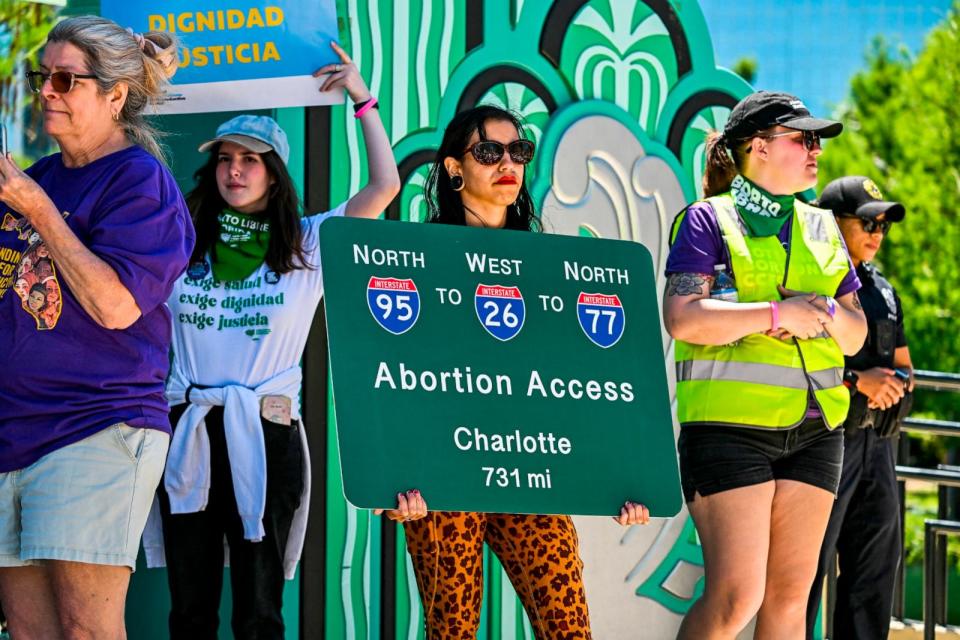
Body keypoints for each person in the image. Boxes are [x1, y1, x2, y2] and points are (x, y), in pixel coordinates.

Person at [149, 42, 400, 640]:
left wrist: (363, 100)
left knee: (260, 614)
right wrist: (144, 87)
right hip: (190, 430)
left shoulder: (307, 243)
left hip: (267, 430)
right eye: (226, 158)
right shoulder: (181, 240)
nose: (235, 169)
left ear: (275, 173)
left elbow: (385, 186)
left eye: (252, 160)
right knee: (190, 610)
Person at [393, 105, 650, 640]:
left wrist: (625, 483)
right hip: (446, 477)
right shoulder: (416, 260)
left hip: (530, 474)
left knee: (570, 631)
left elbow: (589, 388)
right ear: (454, 168)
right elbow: (393, 380)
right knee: (453, 633)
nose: (507, 162)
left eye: (519, 151)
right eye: (489, 151)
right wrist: (394, 477)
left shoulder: (549, 267)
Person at [0, 15, 193, 639]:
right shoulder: (42, 178)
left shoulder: (140, 182)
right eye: (41, 77)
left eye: (64, 79)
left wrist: (38, 210)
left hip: (95, 426)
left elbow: (115, 307)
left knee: (87, 631)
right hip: (13, 431)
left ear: (114, 96)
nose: (46, 91)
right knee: (30, 633)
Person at [663, 91, 869, 639]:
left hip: (817, 429)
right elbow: (682, 317)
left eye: (818, 140)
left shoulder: (824, 226)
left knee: (788, 604)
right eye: (803, 138)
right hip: (730, 431)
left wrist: (821, 311)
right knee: (737, 598)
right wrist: (776, 313)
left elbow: (855, 334)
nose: (816, 150)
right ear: (758, 146)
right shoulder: (707, 220)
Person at [805, 176, 912, 640]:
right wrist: (858, 382)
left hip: (880, 449)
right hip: (826, 443)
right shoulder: (811, 281)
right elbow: (798, 365)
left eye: (884, 224)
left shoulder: (885, 292)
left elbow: (906, 367)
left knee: (872, 578)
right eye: (868, 221)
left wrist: (896, 388)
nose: (877, 232)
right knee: (804, 575)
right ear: (833, 222)